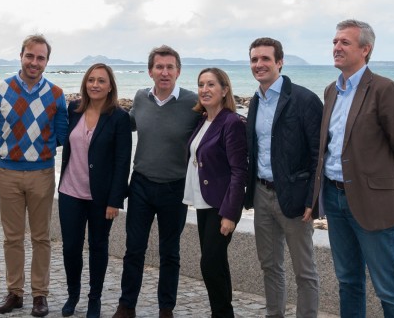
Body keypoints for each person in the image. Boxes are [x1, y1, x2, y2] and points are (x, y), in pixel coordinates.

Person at [312, 19, 394, 317]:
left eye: (344, 42)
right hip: (334, 200)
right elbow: (330, 148)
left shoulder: (385, 89)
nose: (336, 47)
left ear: (365, 49)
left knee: (389, 288)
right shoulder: (330, 91)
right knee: (348, 281)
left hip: (374, 203)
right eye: (335, 42)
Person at [0, 34, 68, 317]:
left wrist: (42, 145)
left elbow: (64, 133)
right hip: (8, 173)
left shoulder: (56, 94)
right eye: (30, 56)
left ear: (47, 62)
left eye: (40, 58)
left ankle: (40, 295)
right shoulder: (1, 89)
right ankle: (15, 293)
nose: (34, 62)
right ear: (21, 56)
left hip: (42, 173)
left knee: (41, 238)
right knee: (12, 238)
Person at [112, 45, 201, 318]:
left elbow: (215, 128)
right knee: (134, 250)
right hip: (141, 185)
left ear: (178, 71)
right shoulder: (140, 98)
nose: (165, 72)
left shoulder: (193, 103)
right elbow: (125, 126)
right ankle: (127, 306)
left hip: (176, 188)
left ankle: (166, 309)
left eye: (170, 67)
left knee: (170, 253)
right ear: (150, 71)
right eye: (159, 67)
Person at [244, 37, 322, 317]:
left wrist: (313, 199)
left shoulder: (304, 100)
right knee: (270, 266)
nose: (259, 64)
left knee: (305, 271)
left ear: (280, 62)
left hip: (294, 198)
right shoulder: (255, 101)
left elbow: (318, 155)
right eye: (254, 59)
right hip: (261, 194)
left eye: (265, 59)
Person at [58, 63, 132, 318]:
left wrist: (115, 201)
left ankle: (94, 299)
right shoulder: (73, 110)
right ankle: (73, 294)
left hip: (101, 197)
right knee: (70, 247)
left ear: (110, 85)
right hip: (69, 191)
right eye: (91, 80)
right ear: (85, 83)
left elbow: (123, 162)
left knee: (98, 247)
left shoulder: (120, 118)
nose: (95, 85)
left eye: (101, 81)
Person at [182, 67, 247, 318]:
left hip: (222, 205)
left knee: (209, 264)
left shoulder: (231, 122)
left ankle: (222, 313)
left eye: (211, 85)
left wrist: (230, 214)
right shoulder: (203, 120)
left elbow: (239, 171)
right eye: (201, 85)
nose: (204, 90)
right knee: (217, 263)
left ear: (224, 90)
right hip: (203, 201)